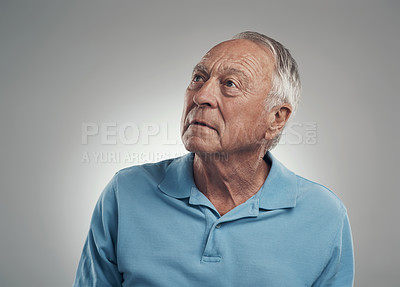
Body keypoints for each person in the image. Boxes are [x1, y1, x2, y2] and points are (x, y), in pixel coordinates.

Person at [73, 31, 354, 286]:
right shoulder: (126, 192)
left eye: (230, 84)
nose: (202, 96)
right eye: (198, 78)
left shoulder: (324, 215)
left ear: (276, 118)